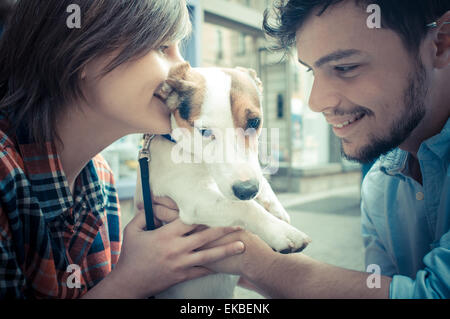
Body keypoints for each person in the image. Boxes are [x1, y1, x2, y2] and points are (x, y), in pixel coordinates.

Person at [155, 0, 450, 298]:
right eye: (312, 71)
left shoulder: (380, 187)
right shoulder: (381, 185)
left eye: (346, 67)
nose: (315, 101)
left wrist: (254, 260)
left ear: (440, 43)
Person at [0, 0, 246, 299]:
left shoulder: (100, 176)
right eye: (162, 46)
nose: (184, 70)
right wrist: (130, 282)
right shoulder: (4, 175)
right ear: (80, 52)